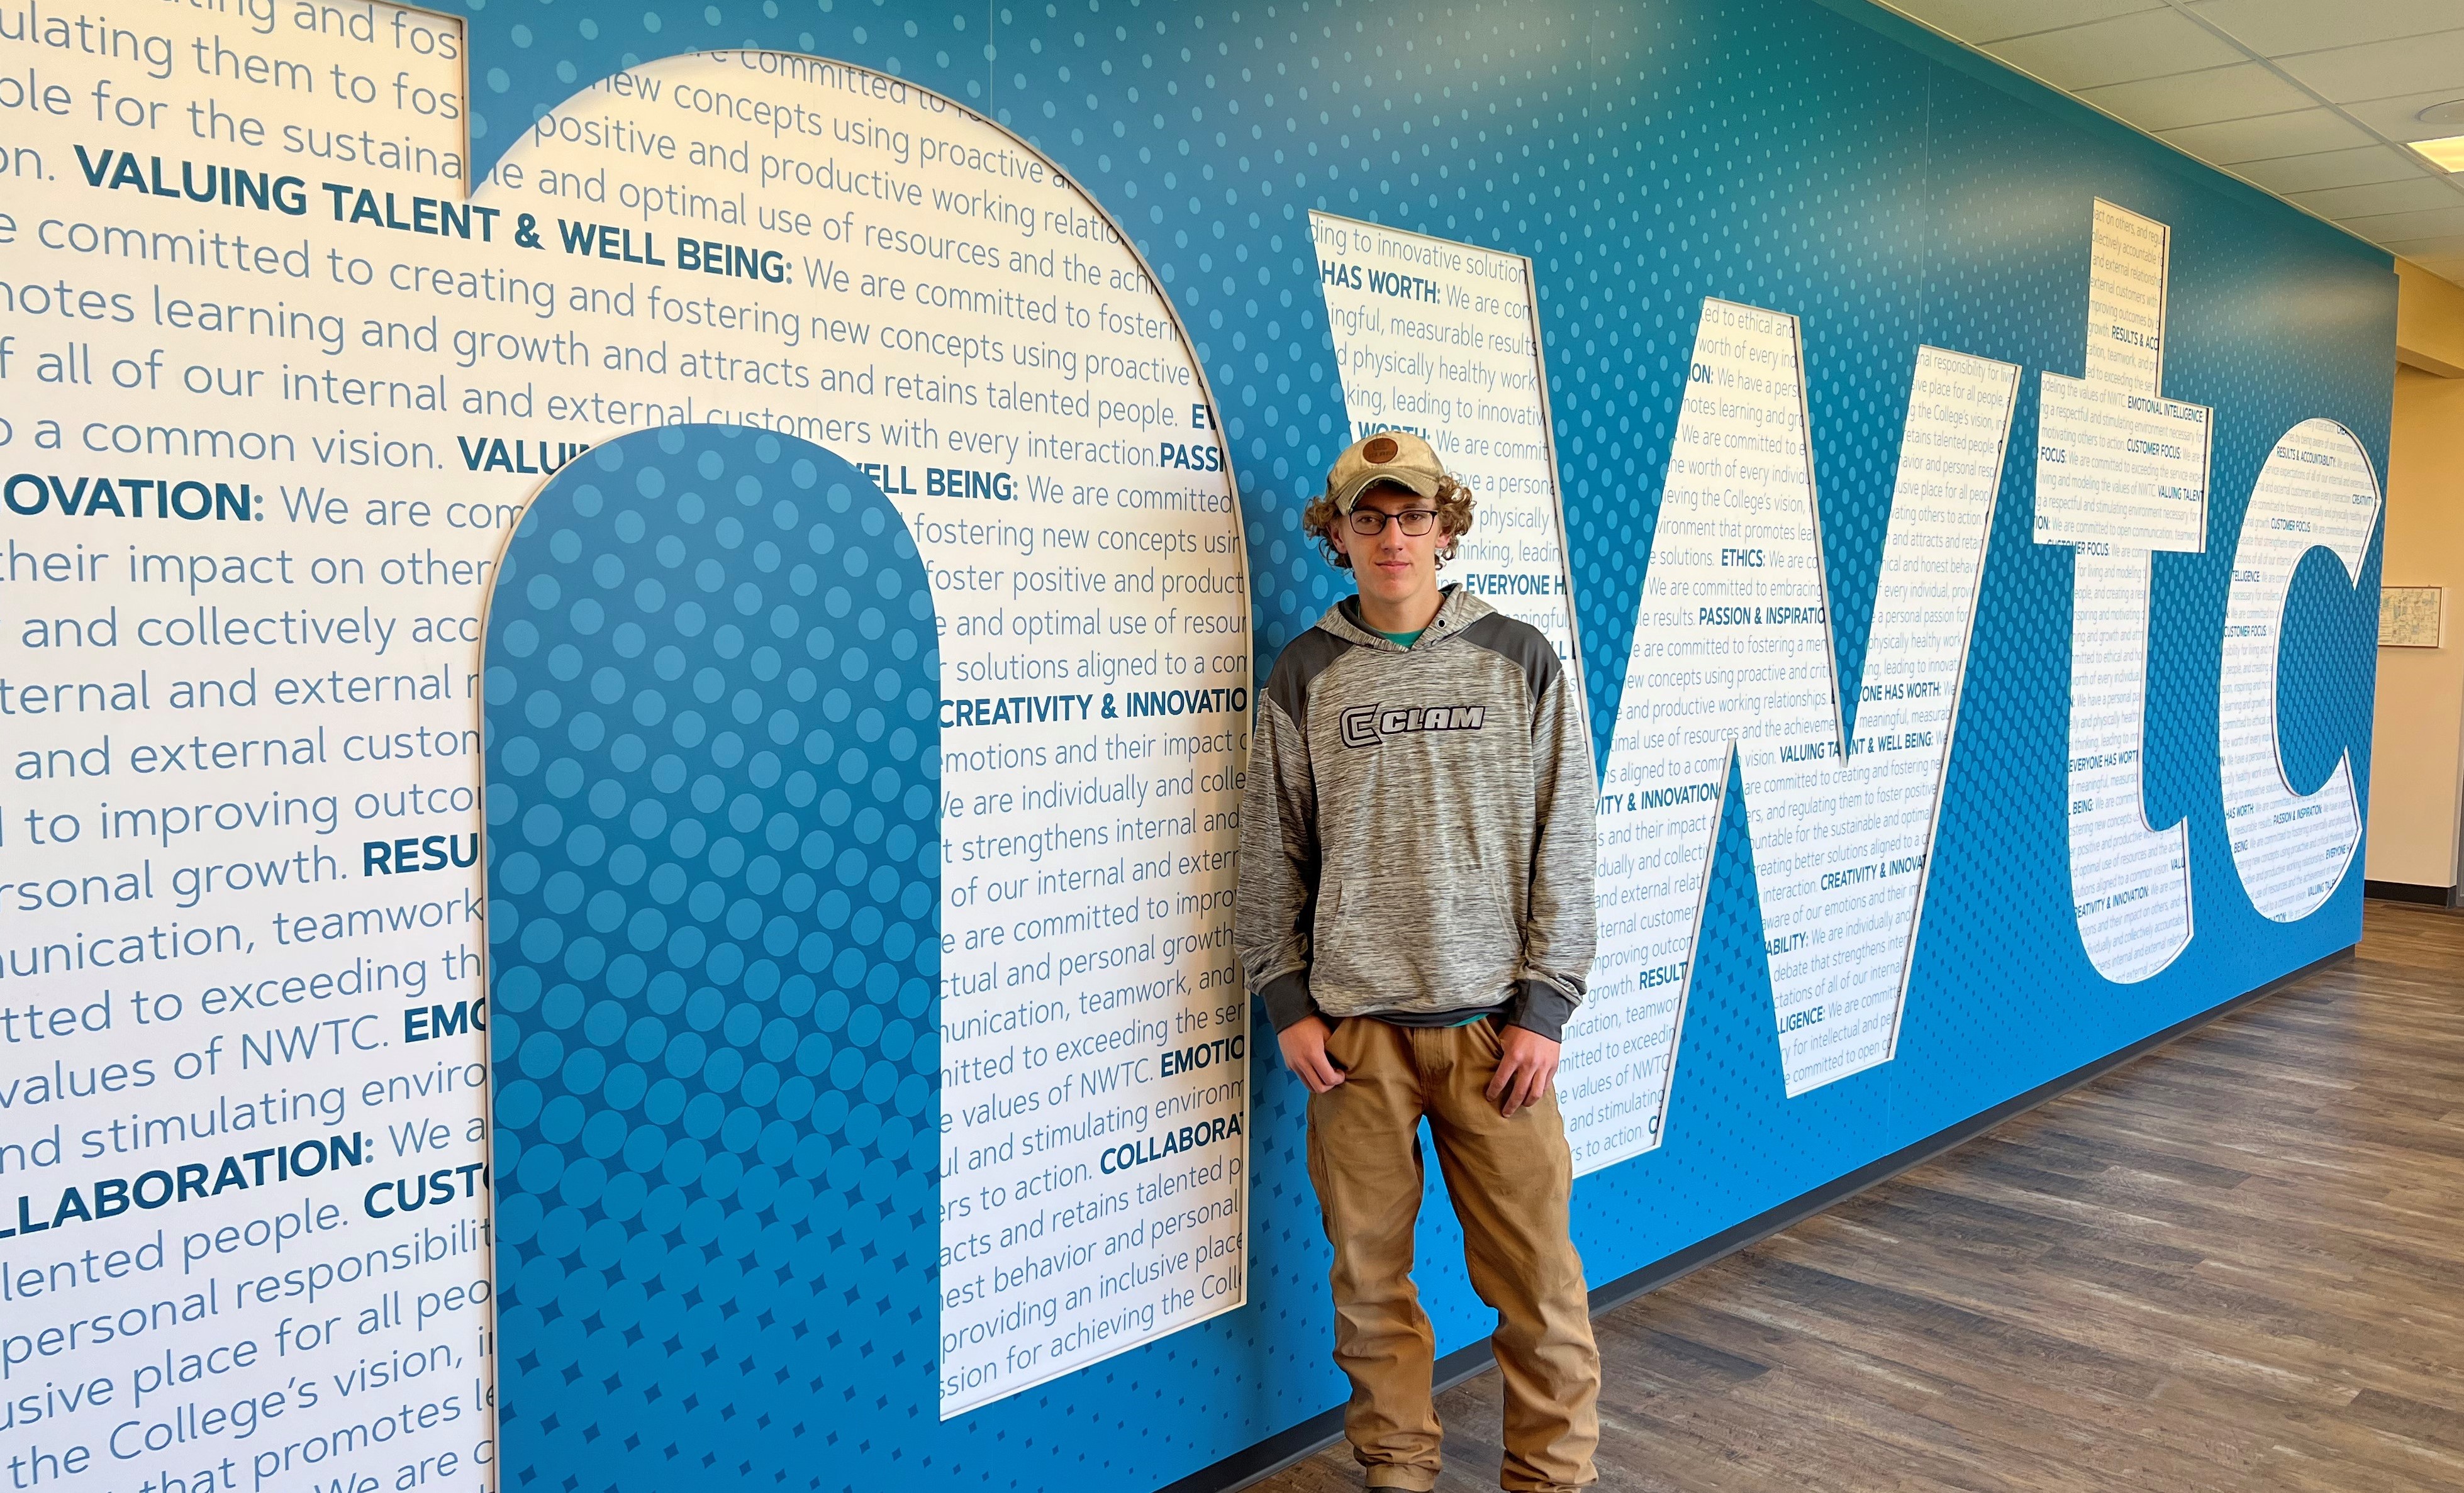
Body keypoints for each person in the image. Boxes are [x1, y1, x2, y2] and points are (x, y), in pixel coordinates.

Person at [1235, 430, 1601, 1493]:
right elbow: (1272, 847)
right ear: (1338, 536)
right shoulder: (1305, 672)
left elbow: (1564, 839)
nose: (1393, 536)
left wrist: (1544, 1006)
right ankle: (1397, 1474)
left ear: (1446, 526)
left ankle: (1550, 1480)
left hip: (1494, 1032)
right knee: (1370, 1287)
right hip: (1353, 1043)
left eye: (1412, 516)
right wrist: (1286, 1000)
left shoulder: (1518, 655)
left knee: (1537, 1286)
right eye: (1369, 518)